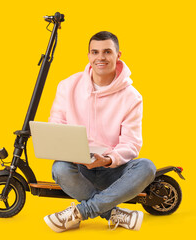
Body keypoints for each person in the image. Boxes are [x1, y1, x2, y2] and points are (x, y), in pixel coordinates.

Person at [44, 31, 156, 232]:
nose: (100, 57)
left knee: (147, 167)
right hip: (78, 168)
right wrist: (69, 152)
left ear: (118, 55)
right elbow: (56, 125)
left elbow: (131, 143)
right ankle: (113, 213)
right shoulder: (67, 86)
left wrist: (106, 159)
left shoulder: (132, 97)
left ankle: (80, 212)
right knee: (59, 168)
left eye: (107, 52)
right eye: (94, 52)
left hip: (112, 170)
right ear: (88, 56)